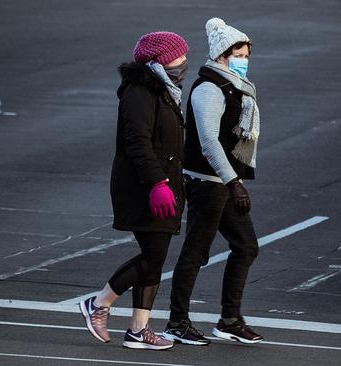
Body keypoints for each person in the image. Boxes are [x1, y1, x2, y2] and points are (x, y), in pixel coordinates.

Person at [79, 31, 189, 351]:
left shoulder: (166, 90)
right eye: (178, 57)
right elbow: (138, 142)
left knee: (156, 256)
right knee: (153, 255)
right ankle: (98, 304)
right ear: (159, 61)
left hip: (164, 184)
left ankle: (138, 331)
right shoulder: (140, 91)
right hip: (144, 186)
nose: (183, 63)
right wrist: (157, 183)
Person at [162, 18, 262, 345]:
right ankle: (177, 322)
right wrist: (234, 182)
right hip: (207, 182)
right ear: (221, 55)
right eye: (238, 55)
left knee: (245, 246)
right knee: (196, 252)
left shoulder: (234, 85)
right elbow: (208, 142)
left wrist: (232, 181)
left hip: (222, 181)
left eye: (247, 56)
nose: (243, 61)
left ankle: (230, 320)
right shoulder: (209, 88)